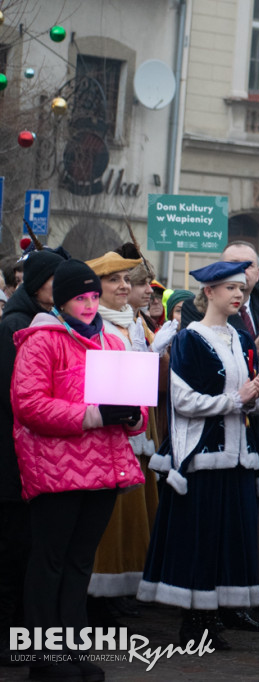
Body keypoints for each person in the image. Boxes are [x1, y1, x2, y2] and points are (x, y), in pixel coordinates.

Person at [13, 259, 146, 682]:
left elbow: (137, 409)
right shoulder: (42, 340)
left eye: (93, 297)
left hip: (103, 468)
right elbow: (29, 405)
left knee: (79, 562)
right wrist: (93, 414)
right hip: (56, 469)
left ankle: (71, 650)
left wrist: (131, 416)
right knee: (49, 561)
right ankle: (43, 659)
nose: (89, 305)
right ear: (62, 300)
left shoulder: (112, 342)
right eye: (79, 298)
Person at [137, 261, 259, 650]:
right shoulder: (188, 339)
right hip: (200, 454)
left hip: (238, 454)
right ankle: (193, 622)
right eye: (230, 288)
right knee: (199, 537)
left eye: (241, 289)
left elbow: (257, 400)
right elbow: (182, 400)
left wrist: (258, 397)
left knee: (230, 537)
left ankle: (214, 619)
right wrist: (236, 399)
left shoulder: (244, 339)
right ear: (208, 292)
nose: (237, 295)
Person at [83, 251, 161, 622]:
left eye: (126, 279)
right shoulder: (96, 325)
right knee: (107, 522)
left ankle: (119, 590)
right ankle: (98, 595)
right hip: (108, 435)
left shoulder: (132, 323)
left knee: (134, 517)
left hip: (137, 429)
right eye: (114, 280)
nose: (124, 286)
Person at [0, 249, 64, 666]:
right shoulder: (14, 326)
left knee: (25, 549)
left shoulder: (44, 323)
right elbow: (16, 400)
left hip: (31, 458)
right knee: (11, 550)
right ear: (37, 283)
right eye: (54, 281)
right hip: (11, 457)